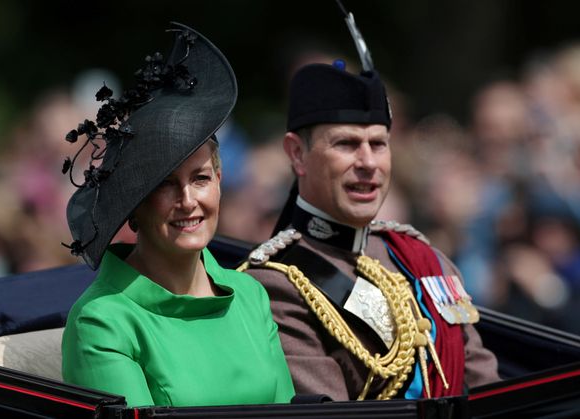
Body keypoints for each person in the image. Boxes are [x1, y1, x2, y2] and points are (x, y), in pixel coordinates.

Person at [61, 24, 294, 407]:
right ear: (133, 204)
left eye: (200, 178)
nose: (187, 200)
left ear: (219, 181)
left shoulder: (251, 295)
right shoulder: (103, 321)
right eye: (165, 185)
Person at [241, 59, 500, 400]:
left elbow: (487, 388)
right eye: (346, 144)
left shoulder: (422, 258)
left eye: (379, 144)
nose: (368, 163)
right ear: (297, 154)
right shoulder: (276, 284)